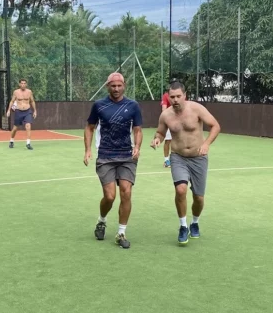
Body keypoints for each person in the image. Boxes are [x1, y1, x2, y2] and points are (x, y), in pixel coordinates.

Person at [151, 81, 221, 245]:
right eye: (172, 96)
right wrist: (157, 140)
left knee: (198, 198)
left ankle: (194, 222)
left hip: (198, 158)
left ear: (185, 95)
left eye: (178, 96)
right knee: (180, 190)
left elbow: (215, 126)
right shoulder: (166, 115)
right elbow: (160, 132)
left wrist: (206, 144)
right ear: (168, 97)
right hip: (178, 157)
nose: (175, 100)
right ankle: (183, 226)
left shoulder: (196, 109)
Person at [84, 72, 143, 249]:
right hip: (106, 156)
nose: (116, 89)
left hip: (127, 156)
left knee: (126, 192)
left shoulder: (133, 105)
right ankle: (102, 221)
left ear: (124, 86)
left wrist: (137, 146)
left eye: (119, 85)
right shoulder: (99, 105)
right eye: (113, 86)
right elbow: (89, 128)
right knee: (109, 197)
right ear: (107, 86)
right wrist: (87, 150)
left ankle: (121, 233)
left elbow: (138, 130)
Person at [6, 79, 37, 150]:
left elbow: (32, 101)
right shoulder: (16, 92)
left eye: (24, 83)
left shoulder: (29, 92)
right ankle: (11, 141)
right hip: (18, 111)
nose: (23, 85)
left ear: (26, 84)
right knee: (15, 128)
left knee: (28, 125)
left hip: (27, 111)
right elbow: (12, 101)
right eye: (22, 83)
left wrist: (35, 111)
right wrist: (8, 110)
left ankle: (28, 143)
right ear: (19, 84)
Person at [160, 89, 172, 168]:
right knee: (168, 141)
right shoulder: (166, 96)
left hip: (179, 122)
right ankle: (166, 160)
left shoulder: (181, 96)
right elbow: (164, 109)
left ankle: (176, 160)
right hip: (168, 121)